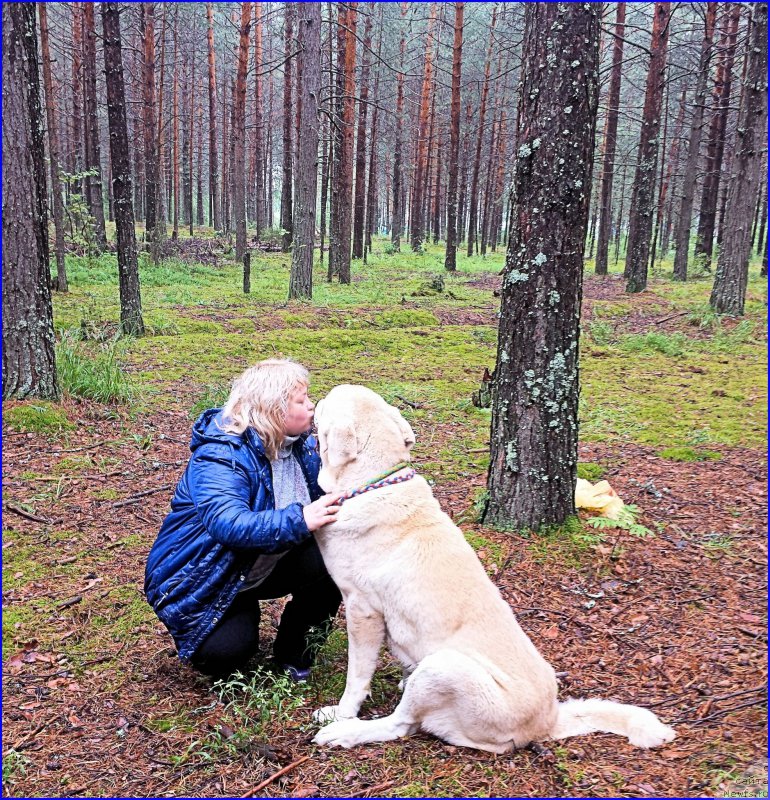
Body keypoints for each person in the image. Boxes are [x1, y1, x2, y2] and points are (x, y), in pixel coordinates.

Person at [144, 359, 343, 680]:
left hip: (259, 563)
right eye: (302, 400)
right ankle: (230, 618)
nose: (312, 406)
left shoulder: (302, 447)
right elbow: (228, 523)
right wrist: (301, 519)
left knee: (336, 557)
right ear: (274, 409)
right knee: (226, 653)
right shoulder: (222, 453)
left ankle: (295, 654)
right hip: (206, 575)